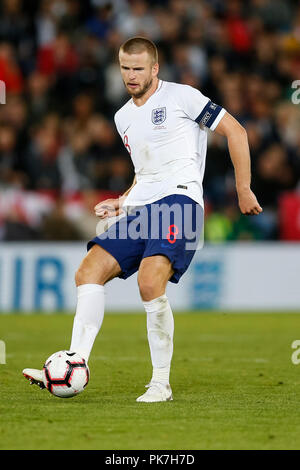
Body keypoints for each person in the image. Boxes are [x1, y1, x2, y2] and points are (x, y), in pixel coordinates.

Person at [23, 37, 262, 402]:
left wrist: (243, 188)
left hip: (181, 202)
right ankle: (75, 362)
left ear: (154, 69)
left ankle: (160, 384)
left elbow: (236, 131)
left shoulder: (183, 96)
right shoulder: (122, 117)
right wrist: (122, 201)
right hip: (142, 208)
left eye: (138, 68)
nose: (131, 75)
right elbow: (145, 172)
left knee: (150, 282)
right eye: (125, 68)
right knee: (88, 270)